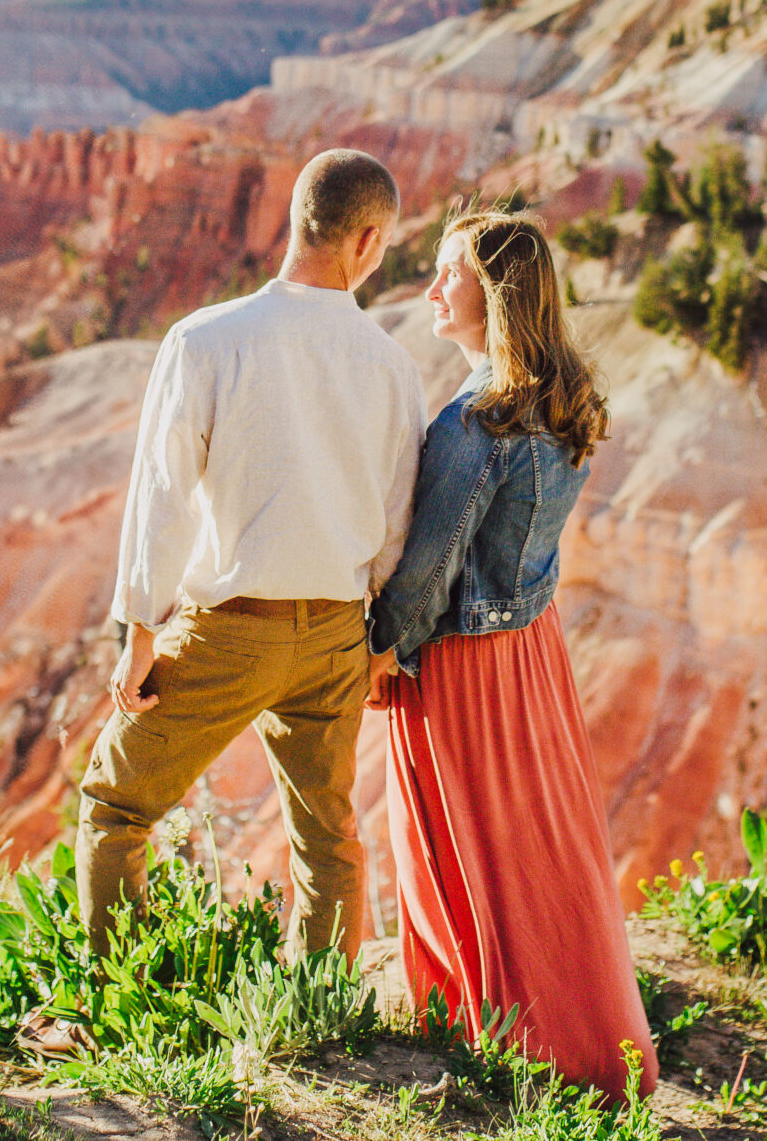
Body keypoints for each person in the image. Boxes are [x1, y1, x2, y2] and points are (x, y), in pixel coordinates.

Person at [77, 148, 427, 961]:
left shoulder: (205, 339)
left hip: (228, 630)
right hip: (338, 634)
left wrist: (138, 632)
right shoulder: (393, 366)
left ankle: (123, 998)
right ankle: (321, 1018)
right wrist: (379, 642)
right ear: (369, 241)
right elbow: (398, 520)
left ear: (297, 218)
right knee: (327, 839)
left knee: (117, 806)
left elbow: (161, 495)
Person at [367, 210, 656, 1096]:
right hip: (530, 648)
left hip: (461, 663)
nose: (431, 290)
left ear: (493, 293)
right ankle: (586, 1039)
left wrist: (377, 652)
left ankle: (483, 1028)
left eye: (449, 273)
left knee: (455, 846)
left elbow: (428, 569)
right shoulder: (562, 396)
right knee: (537, 849)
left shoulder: (478, 418)